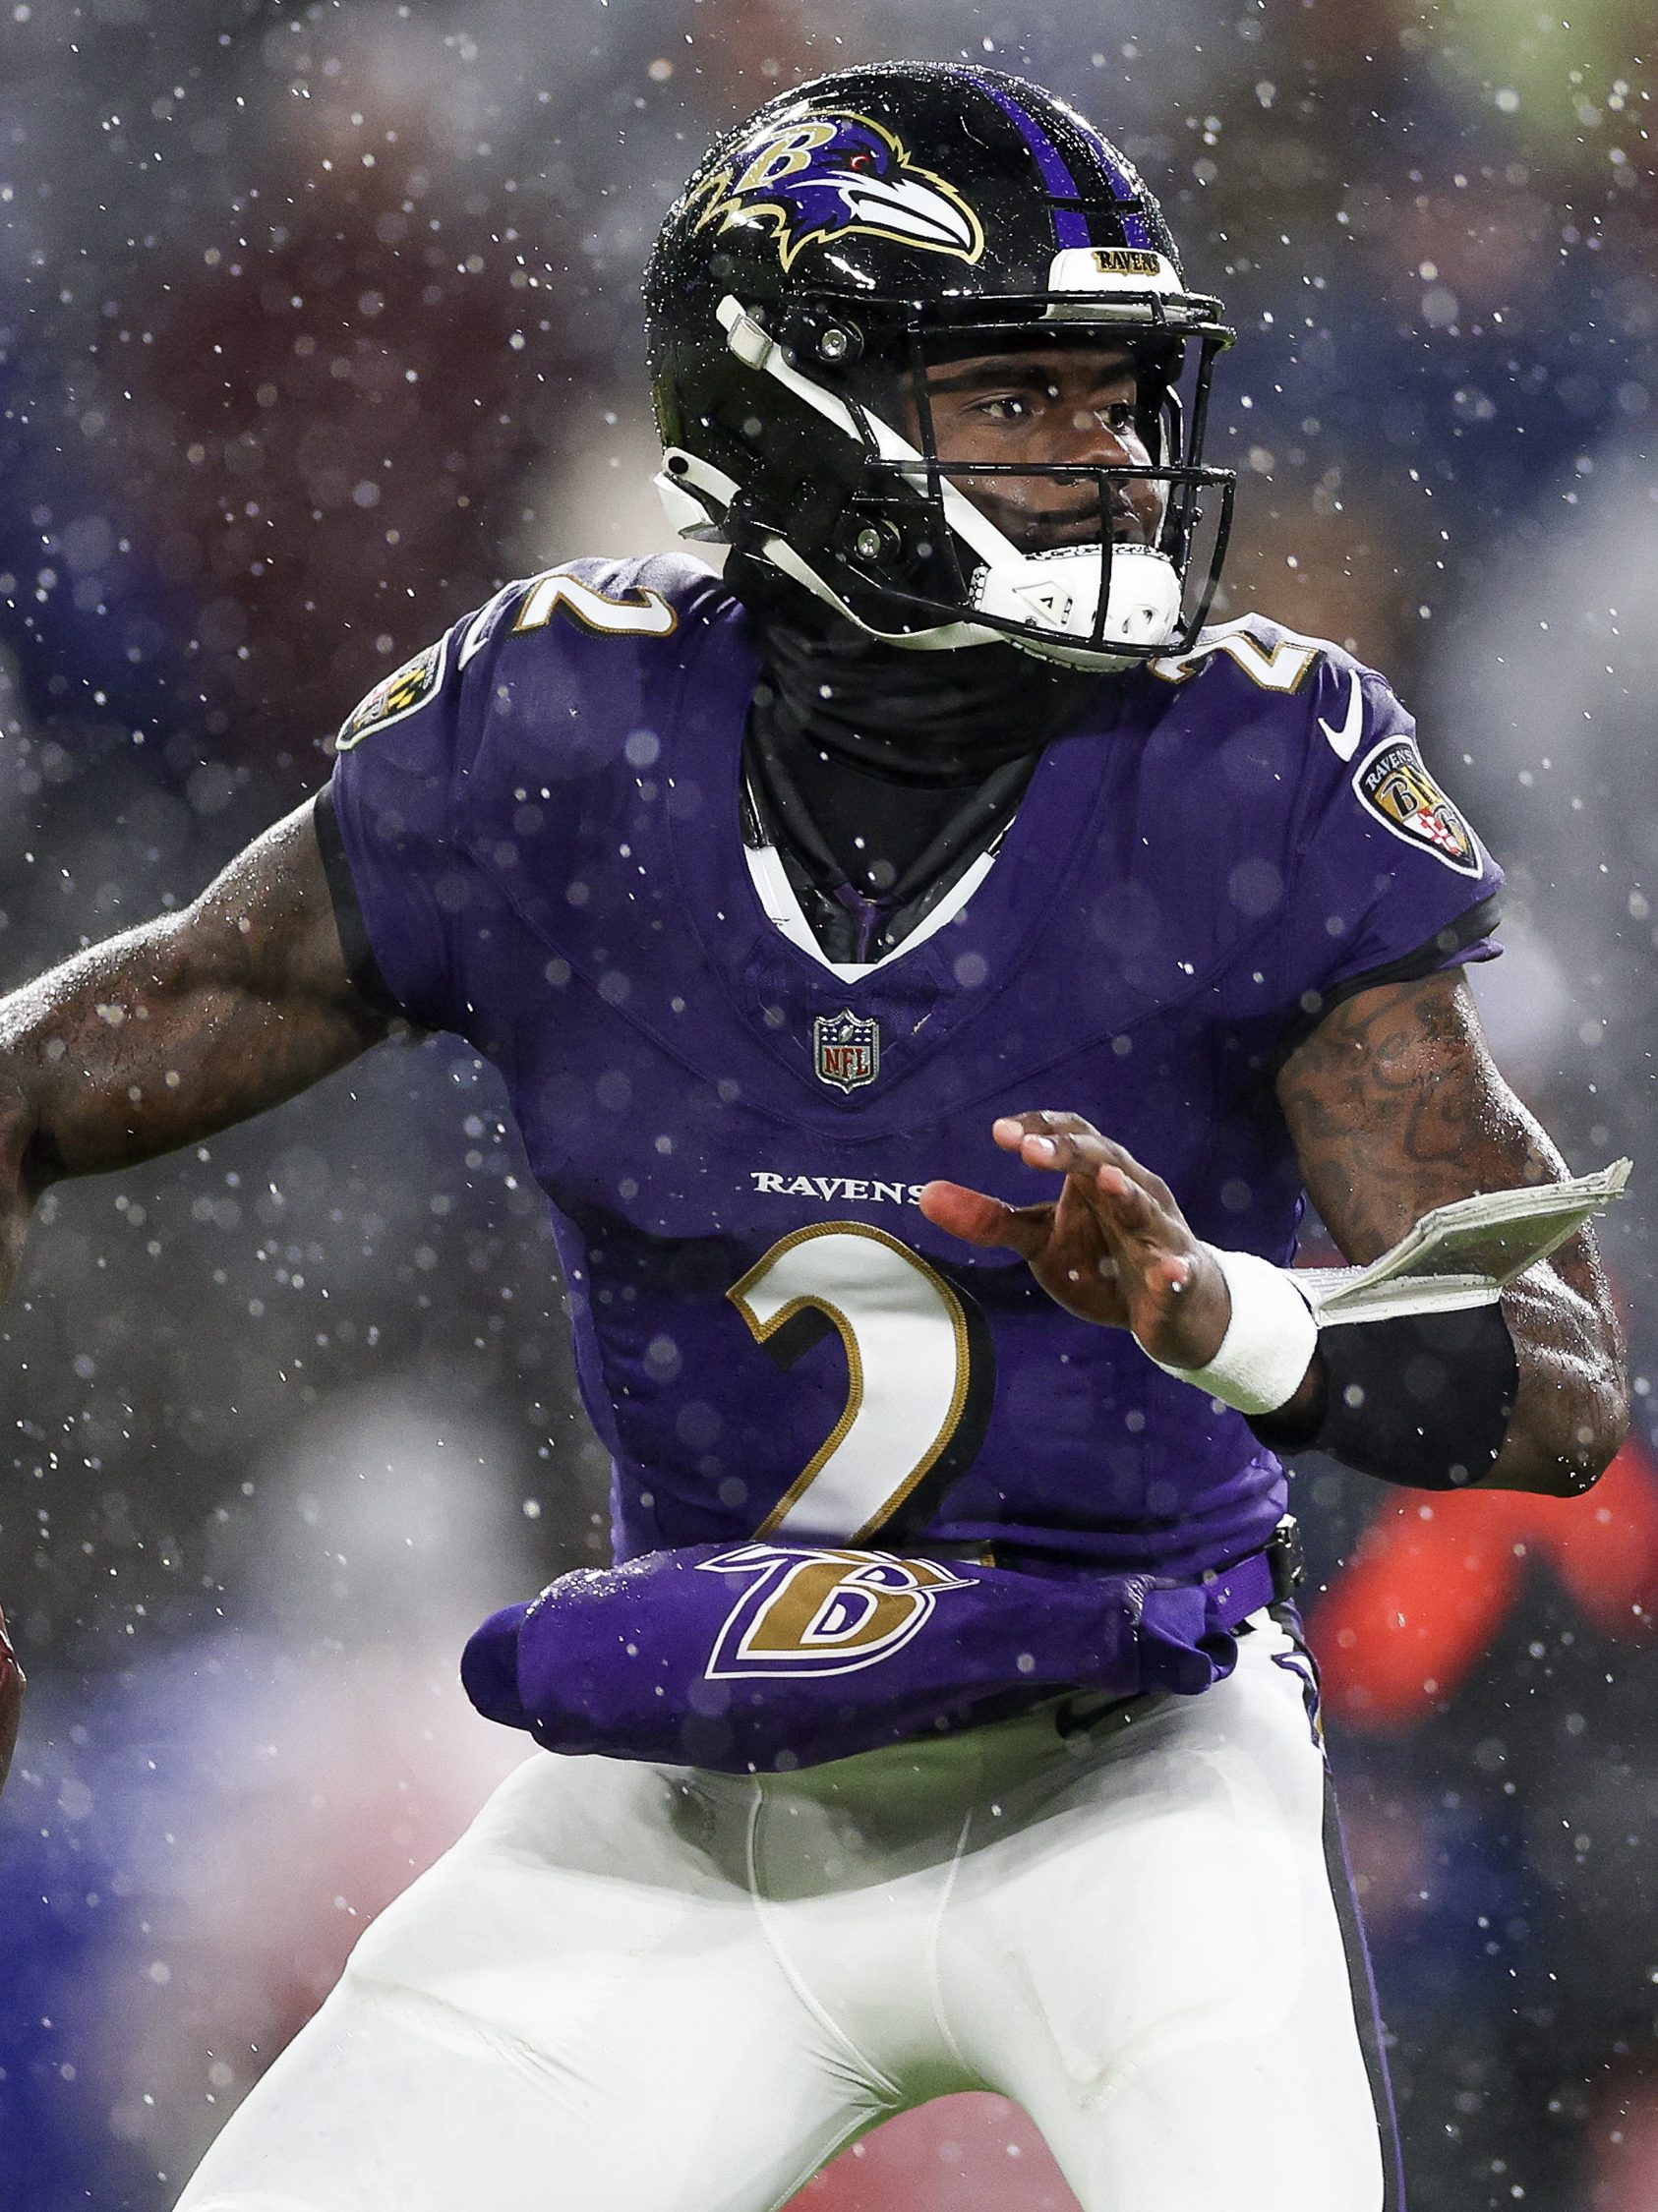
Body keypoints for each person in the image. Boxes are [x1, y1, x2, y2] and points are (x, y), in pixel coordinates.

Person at [0, 61, 1627, 2212]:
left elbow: (1559, 1382)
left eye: (1127, 400)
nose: (1112, 462)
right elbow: (37, 1082)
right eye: (1024, 397)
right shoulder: (559, 735)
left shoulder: (1253, 768)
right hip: (691, 1791)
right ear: (798, 407)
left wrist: (1225, 1316)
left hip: (1134, 1787)